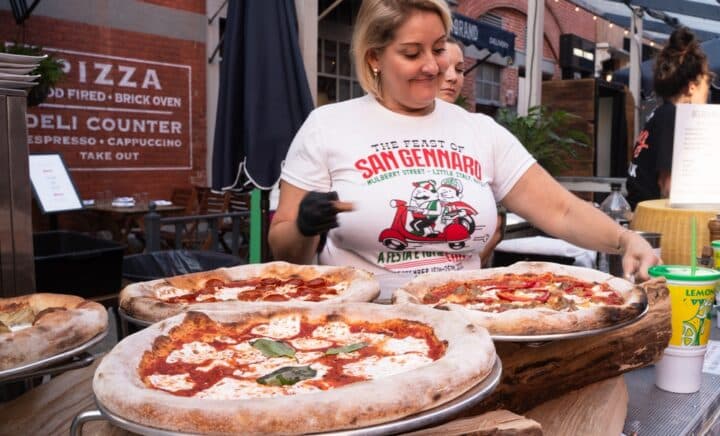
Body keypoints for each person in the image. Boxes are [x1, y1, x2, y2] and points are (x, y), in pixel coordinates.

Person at [269, 0, 658, 282]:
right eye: (411, 52)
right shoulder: (328, 125)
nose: (432, 65)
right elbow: (283, 249)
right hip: (360, 333)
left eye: (438, 48)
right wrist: (305, 226)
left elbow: (561, 211)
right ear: (374, 57)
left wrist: (625, 240)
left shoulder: (478, 130)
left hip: (463, 323)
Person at [627, 27, 712, 209]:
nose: (708, 90)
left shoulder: (661, 113)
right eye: (707, 81)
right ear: (691, 87)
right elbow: (667, 186)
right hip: (654, 223)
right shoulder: (673, 117)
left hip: (640, 214)